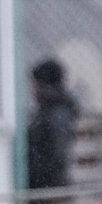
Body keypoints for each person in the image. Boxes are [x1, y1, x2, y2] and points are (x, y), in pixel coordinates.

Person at [27, 59, 79, 197]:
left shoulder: (57, 115)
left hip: (49, 190)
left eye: (35, 85)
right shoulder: (47, 112)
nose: (32, 90)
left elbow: (57, 155)